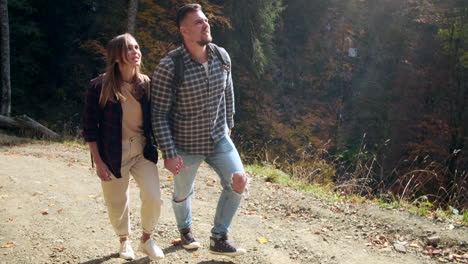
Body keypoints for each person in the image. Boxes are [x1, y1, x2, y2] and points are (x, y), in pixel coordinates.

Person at [151, 4, 248, 257]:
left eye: (205, 20)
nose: (206, 25)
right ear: (184, 31)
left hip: (218, 137)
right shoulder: (170, 66)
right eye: (198, 23)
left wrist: (229, 123)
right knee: (183, 193)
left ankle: (219, 238)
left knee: (239, 181)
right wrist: (169, 153)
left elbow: (228, 92)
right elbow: (158, 114)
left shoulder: (222, 56)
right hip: (184, 144)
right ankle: (185, 231)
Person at [82, 33, 164, 261]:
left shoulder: (147, 85)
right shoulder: (99, 86)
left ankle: (147, 239)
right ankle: (124, 240)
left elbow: (159, 118)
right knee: (117, 201)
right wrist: (98, 162)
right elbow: (89, 128)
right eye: (129, 48)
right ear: (117, 56)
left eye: (137, 47)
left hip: (142, 151)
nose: (135, 51)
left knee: (154, 196)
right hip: (112, 153)